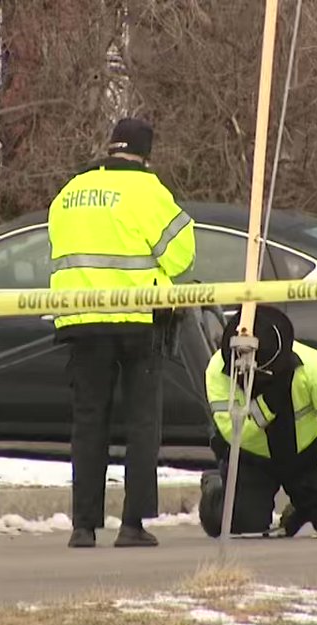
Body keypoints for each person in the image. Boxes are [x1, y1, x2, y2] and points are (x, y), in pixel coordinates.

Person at [48, 117, 196, 549]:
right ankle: (132, 524)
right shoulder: (150, 193)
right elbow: (181, 256)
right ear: (146, 155)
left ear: (110, 147)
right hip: (138, 321)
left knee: (89, 421)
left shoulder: (71, 192)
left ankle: (83, 525)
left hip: (81, 320)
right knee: (141, 422)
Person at [197, 305, 317, 538]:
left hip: (306, 456)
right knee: (238, 524)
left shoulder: (313, 367)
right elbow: (234, 432)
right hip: (253, 457)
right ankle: (215, 485)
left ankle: (303, 507)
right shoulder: (218, 371)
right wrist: (267, 407)